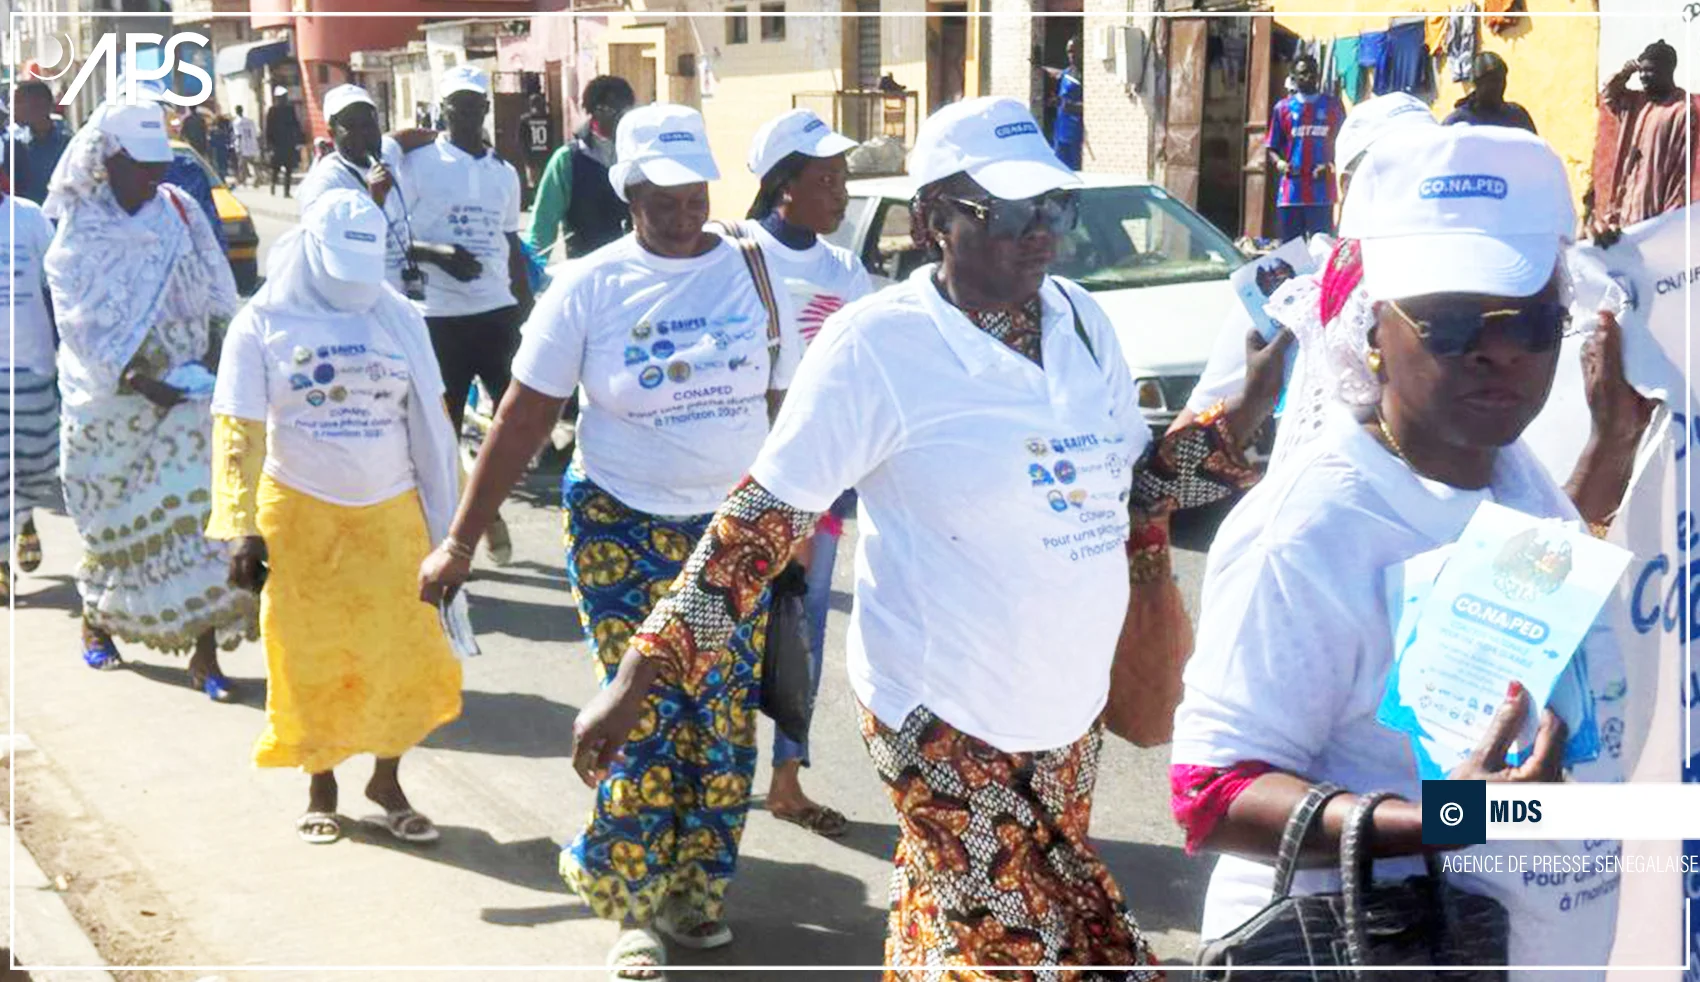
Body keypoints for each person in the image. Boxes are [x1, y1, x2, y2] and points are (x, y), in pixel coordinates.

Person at [547, 96, 1293, 979]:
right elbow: (762, 522)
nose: (1041, 234)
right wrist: (641, 673)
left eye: (1052, 209)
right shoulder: (878, 346)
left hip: (1061, 714)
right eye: (1010, 213)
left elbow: (1132, 488)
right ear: (936, 220)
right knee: (1018, 945)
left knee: (969, 915)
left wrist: (1245, 406)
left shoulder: (1083, 320)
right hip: (939, 710)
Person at [1169, 124, 1652, 978]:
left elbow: (1496, 591)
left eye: (1532, 322)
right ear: (1369, 330)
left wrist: (1612, 446)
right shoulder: (1310, 527)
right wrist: (1449, 818)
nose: (1499, 350)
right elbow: (1209, 796)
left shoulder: (1512, 477)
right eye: (1454, 322)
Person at [418, 102, 805, 979]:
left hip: (734, 530)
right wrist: (460, 542)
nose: (677, 212)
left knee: (718, 721)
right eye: (656, 197)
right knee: (643, 714)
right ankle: (628, 902)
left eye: (691, 193)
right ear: (626, 190)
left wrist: (797, 524)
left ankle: (694, 893)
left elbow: (785, 409)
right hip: (621, 525)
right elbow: (520, 418)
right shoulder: (589, 284)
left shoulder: (756, 270)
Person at [208, 189, 464, 846]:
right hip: (300, 513)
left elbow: (432, 423)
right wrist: (242, 525)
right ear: (313, 253)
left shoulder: (399, 317)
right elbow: (237, 431)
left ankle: (386, 778)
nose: (357, 288)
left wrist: (457, 522)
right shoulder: (262, 322)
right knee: (307, 652)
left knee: (402, 650)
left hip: (390, 513)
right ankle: (321, 778)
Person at [43, 98, 256, 694]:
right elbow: (77, 318)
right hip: (109, 405)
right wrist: (136, 379)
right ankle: (97, 624)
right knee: (110, 529)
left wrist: (217, 356)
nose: (153, 176)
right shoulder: (82, 228)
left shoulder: (181, 212)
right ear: (108, 160)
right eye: (141, 165)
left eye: (158, 164)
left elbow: (218, 289)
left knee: (201, 527)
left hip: (186, 401)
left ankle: (204, 654)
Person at [740, 108, 869, 839]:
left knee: (801, 631)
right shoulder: (735, 253)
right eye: (827, 177)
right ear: (782, 186)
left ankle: (786, 781)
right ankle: (716, 777)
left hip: (818, 488)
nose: (842, 191)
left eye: (843, 175)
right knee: (725, 631)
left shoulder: (846, 271)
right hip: (740, 480)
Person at [1181, 91, 1436, 435]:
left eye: (1436, 168)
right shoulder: (1290, 287)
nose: (1425, 189)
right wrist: (1252, 402)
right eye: (1400, 171)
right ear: (1348, 185)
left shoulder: (1477, 288)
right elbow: (1175, 469)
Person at [400, 65, 532, 566]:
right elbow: (394, 234)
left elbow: (510, 241)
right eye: (457, 106)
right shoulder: (419, 164)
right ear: (444, 111)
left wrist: (525, 306)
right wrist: (439, 254)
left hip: (496, 315)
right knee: (441, 434)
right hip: (438, 317)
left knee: (514, 428)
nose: (467, 114)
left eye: (475, 106)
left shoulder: (502, 172)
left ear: (484, 111)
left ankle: (485, 508)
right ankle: (452, 539)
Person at [0, 138, 60, 605]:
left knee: (38, 463)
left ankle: (24, 518)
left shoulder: (28, 216)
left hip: (34, 362)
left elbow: (57, 282)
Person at [1590, 39, 1698, 239]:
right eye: (1641, 71)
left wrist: (1671, 217)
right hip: (1624, 209)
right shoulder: (1634, 102)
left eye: (1650, 71)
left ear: (1668, 71)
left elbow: (1682, 169)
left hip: (1655, 210)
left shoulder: (1681, 110)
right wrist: (1624, 74)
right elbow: (1609, 95)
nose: (1643, 77)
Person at [525, 76, 635, 262]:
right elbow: (542, 225)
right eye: (613, 111)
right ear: (595, 111)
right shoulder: (568, 160)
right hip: (585, 271)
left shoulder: (637, 158)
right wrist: (530, 274)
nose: (621, 119)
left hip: (635, 271)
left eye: (626, 112)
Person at [1266, 55, 1344, 243]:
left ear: (1318, 76)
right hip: (1291, 192)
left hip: (1321, 192)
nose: (1308, 77)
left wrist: (1330, 165)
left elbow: (1345, 142)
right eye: (1302, 74)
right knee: (1292, 250)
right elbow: (1271, 147)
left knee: (1322, 246)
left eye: (1312, 73)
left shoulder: (1332, 106)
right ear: (1293, 76)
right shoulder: (1282, 108)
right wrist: (1280, 163)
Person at [12, 79, 72, 205]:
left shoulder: (67, 144)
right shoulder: (13, 145)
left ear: (40, 104)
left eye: (17, 102)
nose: (12, 108)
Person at [1444, 52, 1538, 133]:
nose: (1499, 86)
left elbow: (1534, 149)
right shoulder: (1458, 122)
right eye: (1492, 81)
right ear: (1477, 83)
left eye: (1502, 80)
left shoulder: (1518, 116)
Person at [1040, 35, 1085, 170]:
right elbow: (1056, 73)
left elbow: (1092, 107)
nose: (1070, 55)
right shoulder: (1067, 72)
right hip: (1060, 131)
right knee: (1059, 167)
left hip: (1075, 132)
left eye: (1073, 51)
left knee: (1074, 169)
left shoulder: (1084, 75)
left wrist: (1067, 105)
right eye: (1068, 52)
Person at [266, 86, 305, 197]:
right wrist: (270, 145)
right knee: (276, 169)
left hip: (288, 144)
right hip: (277, 144)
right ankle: (273, 185)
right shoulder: (272, 110)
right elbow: (269, 128)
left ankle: (286, 191)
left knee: (288, 169)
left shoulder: (289, 109)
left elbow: (295, 124)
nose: (283, 99)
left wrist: (299, 139)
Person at [519, 92, 554, 202]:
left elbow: (522, 139)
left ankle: (535, 201)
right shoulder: (548, 119)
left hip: (532, 154)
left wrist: (525, 156)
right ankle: (543, 201)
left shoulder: (525, 120)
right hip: (545, 153)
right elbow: (551, 137)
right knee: (545, 180)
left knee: (533, 182)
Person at [232, 104, 260, 187]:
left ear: (236, 111)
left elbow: (238, 135)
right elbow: (255, 133)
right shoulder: (250, 121)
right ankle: (257, 178)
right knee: (254, 164)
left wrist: (238, 147)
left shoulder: (237, 122)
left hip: (243, 145)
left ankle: (243, 181)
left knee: (242, 165)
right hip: (252, 144)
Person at [209, 111, 232, 181]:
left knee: (218, 164)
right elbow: (228, 139)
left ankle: (220, 177)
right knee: (223, 164)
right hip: (223, 149)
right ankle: (222, 177)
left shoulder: (214, 130)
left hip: (217, 150)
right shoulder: (224, 131)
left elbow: (211, 141)